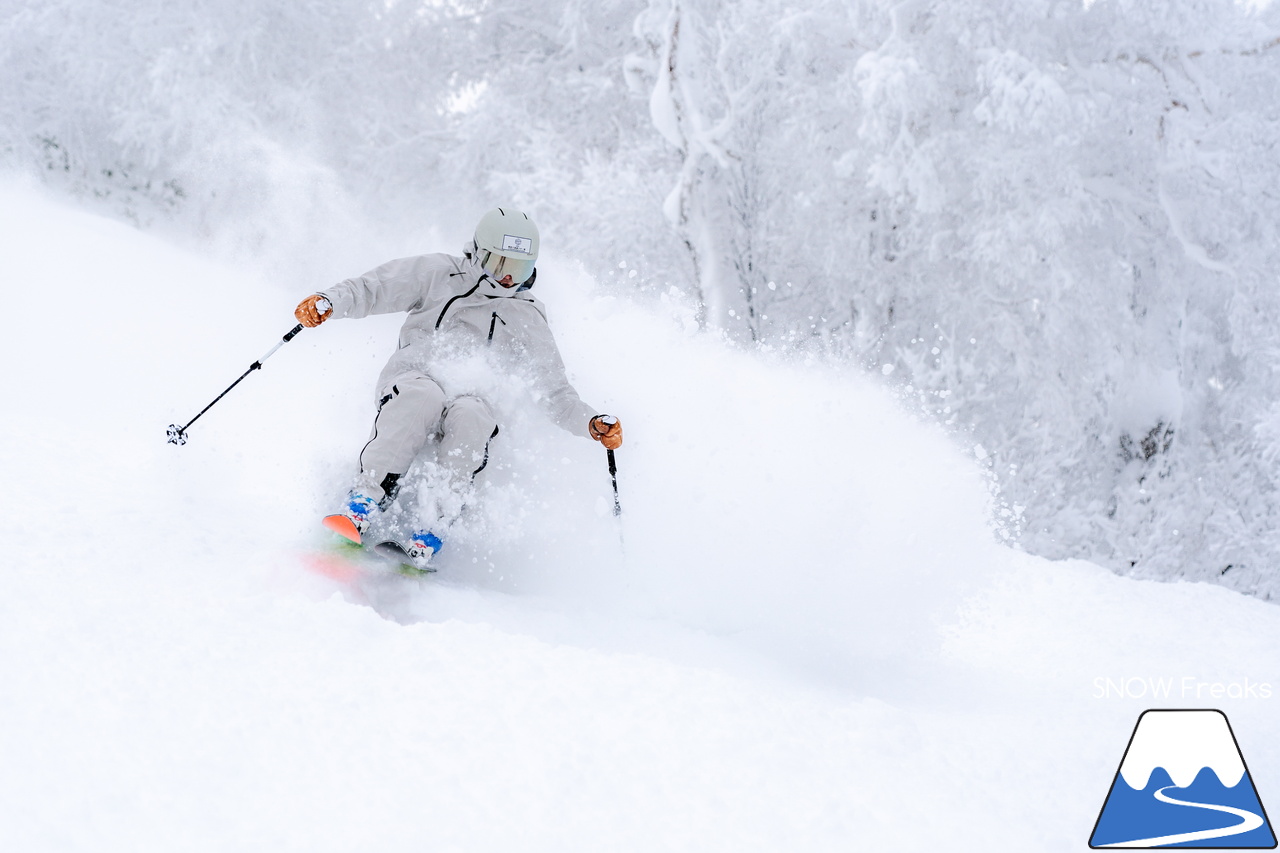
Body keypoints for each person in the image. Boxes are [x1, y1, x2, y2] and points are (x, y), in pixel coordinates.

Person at [294, 207, 623, 569]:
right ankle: (362, 504)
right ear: (479, 253)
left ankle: (431, 529)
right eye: (501, 265)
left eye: (522, 267)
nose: (510, 277)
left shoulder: (528, 315)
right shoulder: (440, 274)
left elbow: (556, 394)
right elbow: (375, 288)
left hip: (472, 398)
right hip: (415, 378)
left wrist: (592, 423)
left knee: (473, 415)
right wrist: (329, 302)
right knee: (423, 397)